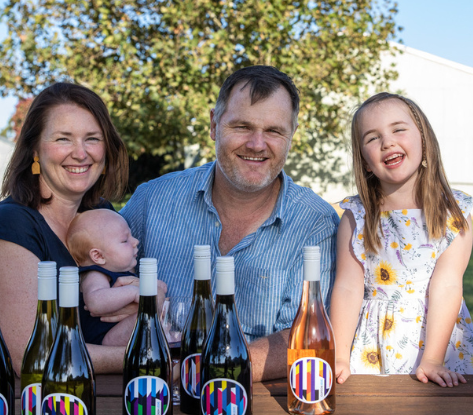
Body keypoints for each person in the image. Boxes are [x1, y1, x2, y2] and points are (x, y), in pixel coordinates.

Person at [119, 65, 339, 381]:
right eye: (242, 126)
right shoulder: (152, 201)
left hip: (258, 407)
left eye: (274, 131)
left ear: (291, 135)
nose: (257, 144)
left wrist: (207, 375)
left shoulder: (316, 224)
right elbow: (101, 279)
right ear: (214, 124)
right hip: (154, 399)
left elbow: (306, 335)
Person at [0, 82, 134, 374]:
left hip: (79, 401)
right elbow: (33, 356)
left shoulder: (101, 215)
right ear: (34, 148)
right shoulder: (11, 224)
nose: (81, 153)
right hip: (8, 407)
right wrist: (146, 357)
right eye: (63, 139)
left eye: (92, 139)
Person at [330, 93, 473, 388]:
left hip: (438, 341)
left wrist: (433, 359)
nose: (387, 142)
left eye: (398, 129)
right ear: (364, 161)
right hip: (374, 344)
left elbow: (448, 285)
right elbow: (348, 287)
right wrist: (338, 355)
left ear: (424, 140)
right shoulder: (356, 216)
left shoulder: (453, 212)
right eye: (373, 138)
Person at [65, 208, 167, 346]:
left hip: (121, 334)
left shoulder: (118, 270)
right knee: (148, 312)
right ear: (98, 256)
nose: (135, 241)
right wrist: (134, 292)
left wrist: (156, 287)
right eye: (125, 240)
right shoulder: (95, 274)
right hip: (106, 339)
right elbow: (95, 302)